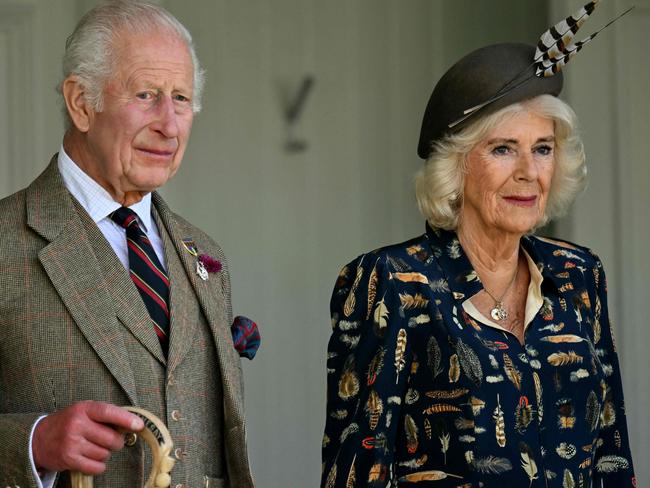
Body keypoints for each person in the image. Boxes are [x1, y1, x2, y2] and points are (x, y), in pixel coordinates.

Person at [321, 20, 636, 488]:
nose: (529, 171)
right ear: (458, 164)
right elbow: (354, 473)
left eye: (543, 148)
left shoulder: (579, 274)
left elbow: (612, 454)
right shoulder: (390, 281)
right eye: (504, 149)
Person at [0, 1, 254, 486]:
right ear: (81, 103)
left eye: (181, 98)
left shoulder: (204, 252)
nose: (170, 124)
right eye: (145, 94)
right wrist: (33, 442)